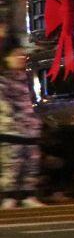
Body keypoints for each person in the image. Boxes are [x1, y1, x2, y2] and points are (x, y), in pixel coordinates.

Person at [0, 19, 42, 209]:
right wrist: (16, 121)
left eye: (21, 55)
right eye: (15, 55)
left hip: (31, 129)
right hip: (11, 130)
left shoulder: (29, 78)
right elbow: (5, 106)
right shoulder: (3, 80)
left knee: (31, 164)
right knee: (12, 165)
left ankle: (28, 194)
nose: (19, 58)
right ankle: (8, 196)